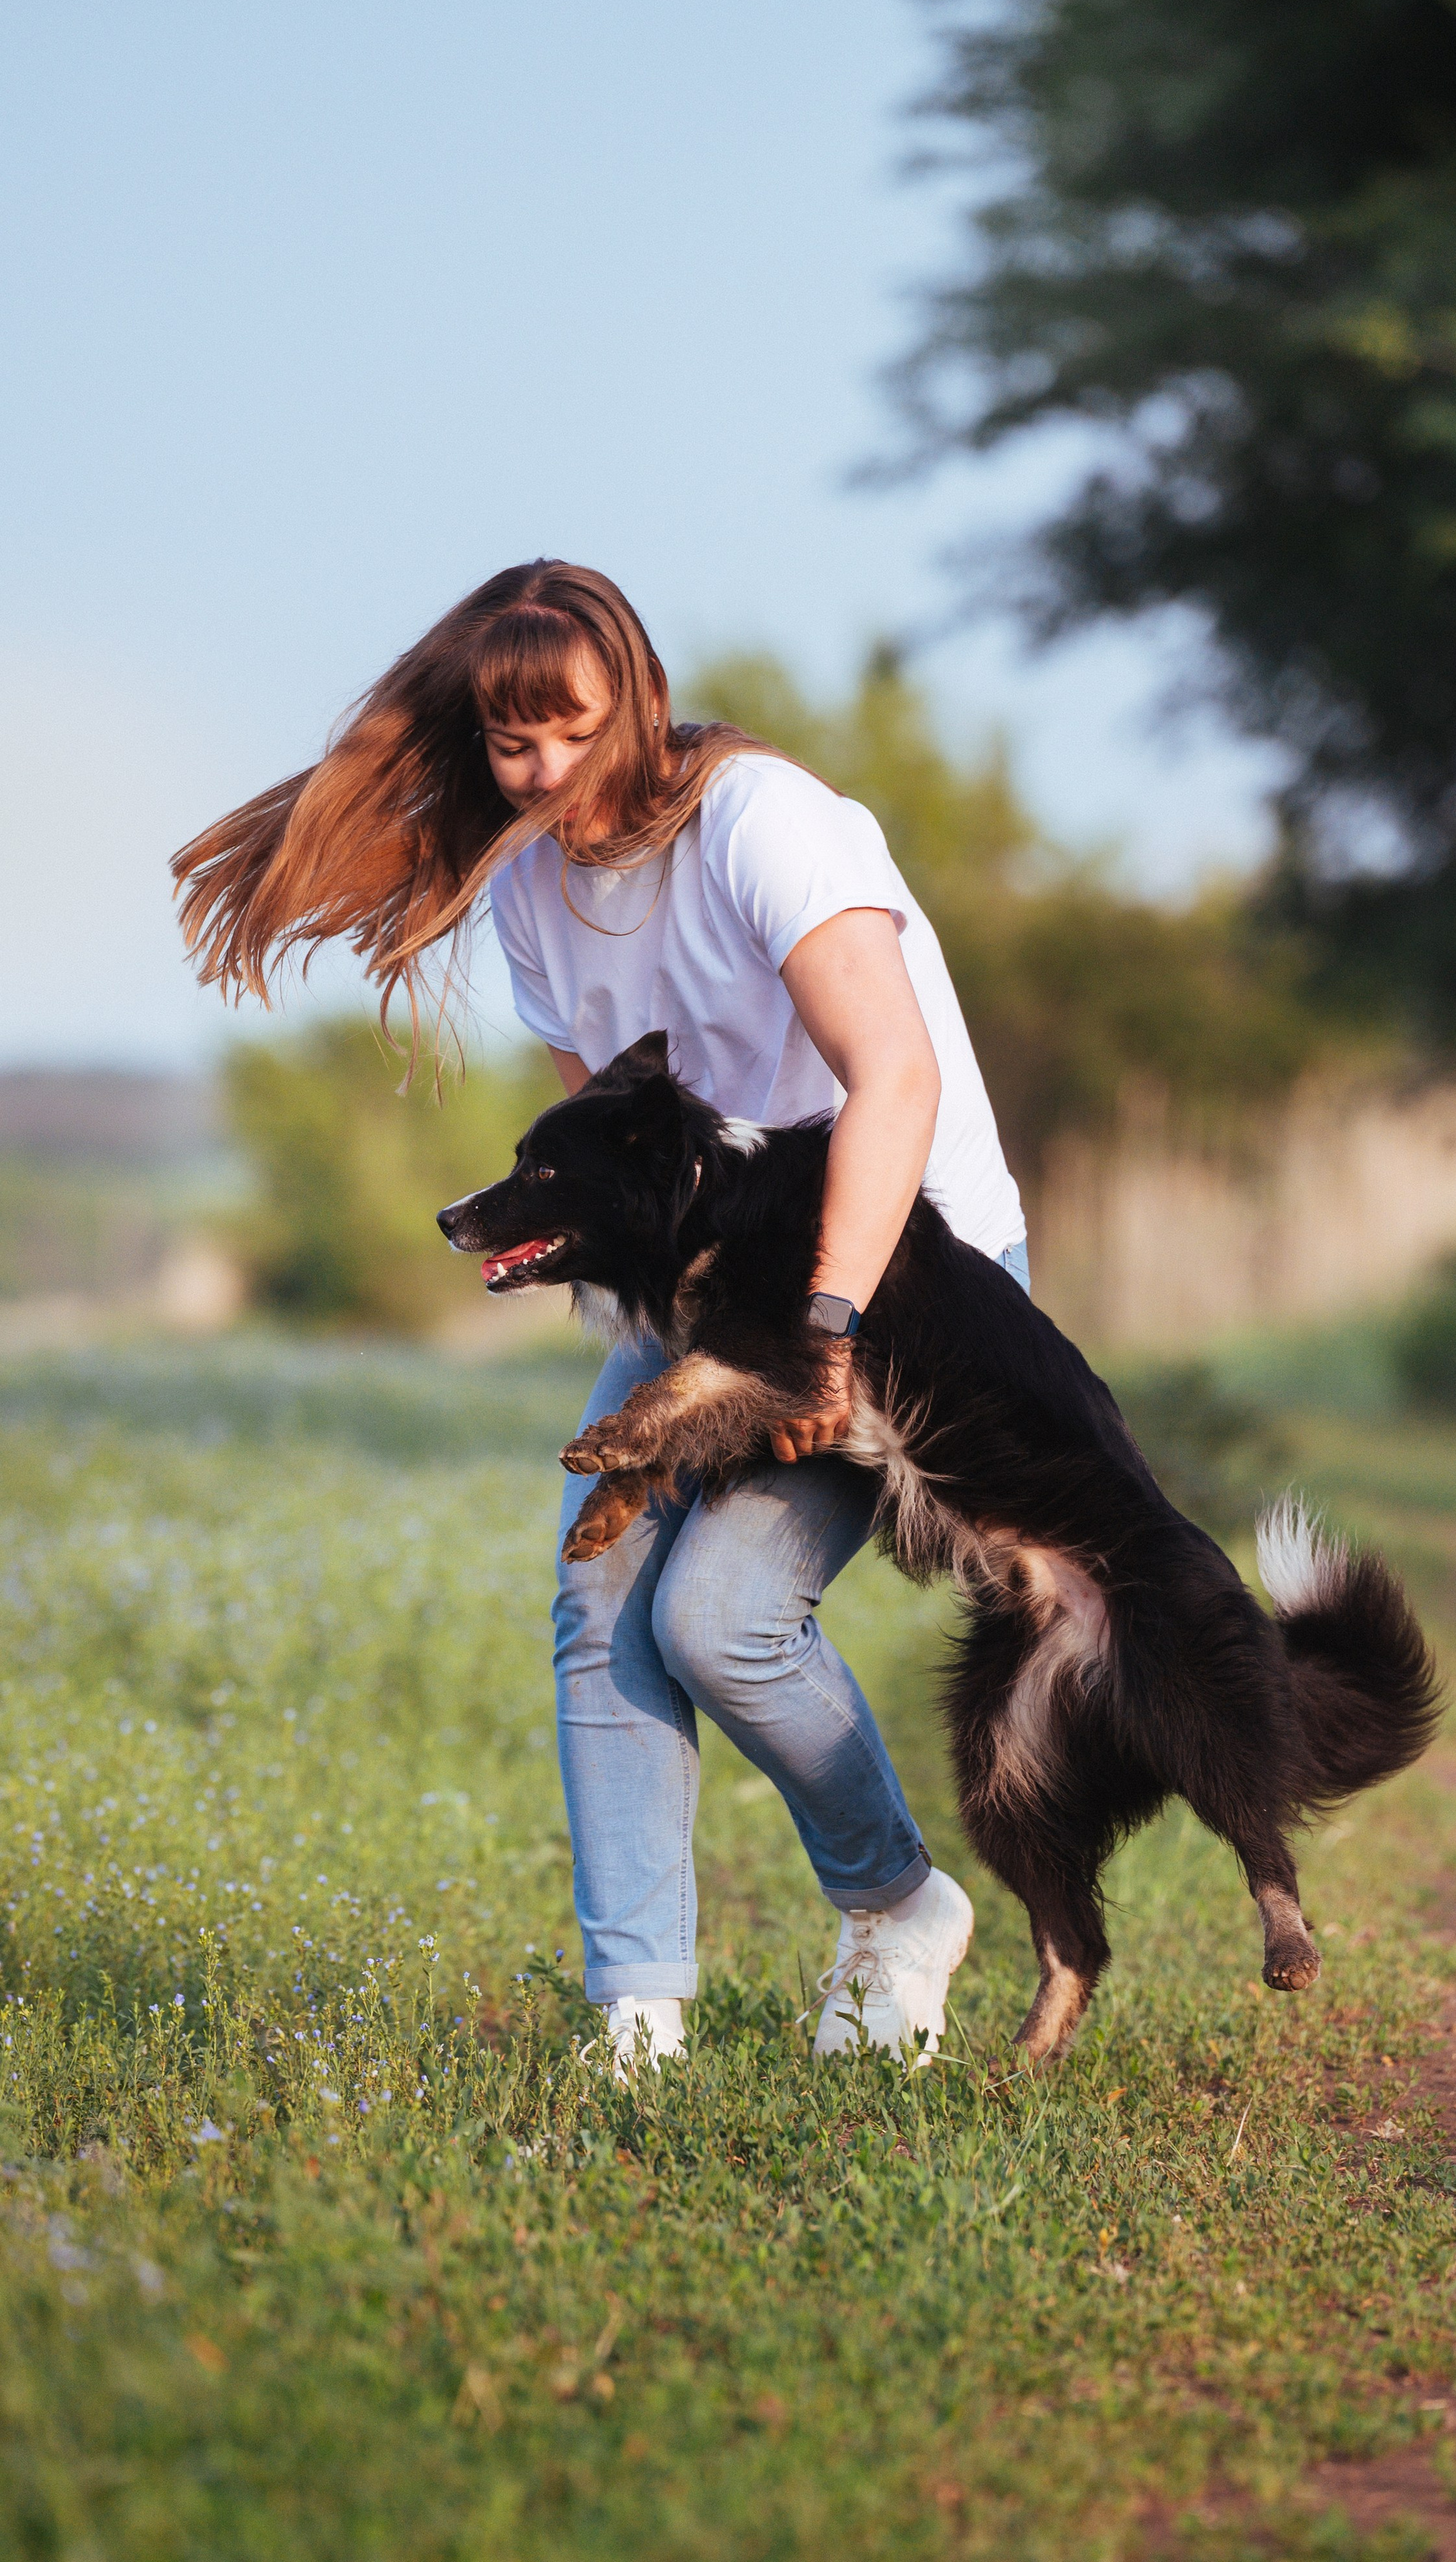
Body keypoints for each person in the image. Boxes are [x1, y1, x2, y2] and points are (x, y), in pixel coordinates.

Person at [173, 560, 1028, 2071]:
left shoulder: (761, 821)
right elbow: (617, 1145)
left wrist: (824, 1323)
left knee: (720, 1618)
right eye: (512, 746)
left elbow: (894, 1078)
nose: (544, 771)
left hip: (893, 1270)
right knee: (598, 1592)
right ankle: (637, 2013)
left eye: (570, 732)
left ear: (631, 700)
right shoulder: (528, 888)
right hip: (722, 1282)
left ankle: (897, 1902)